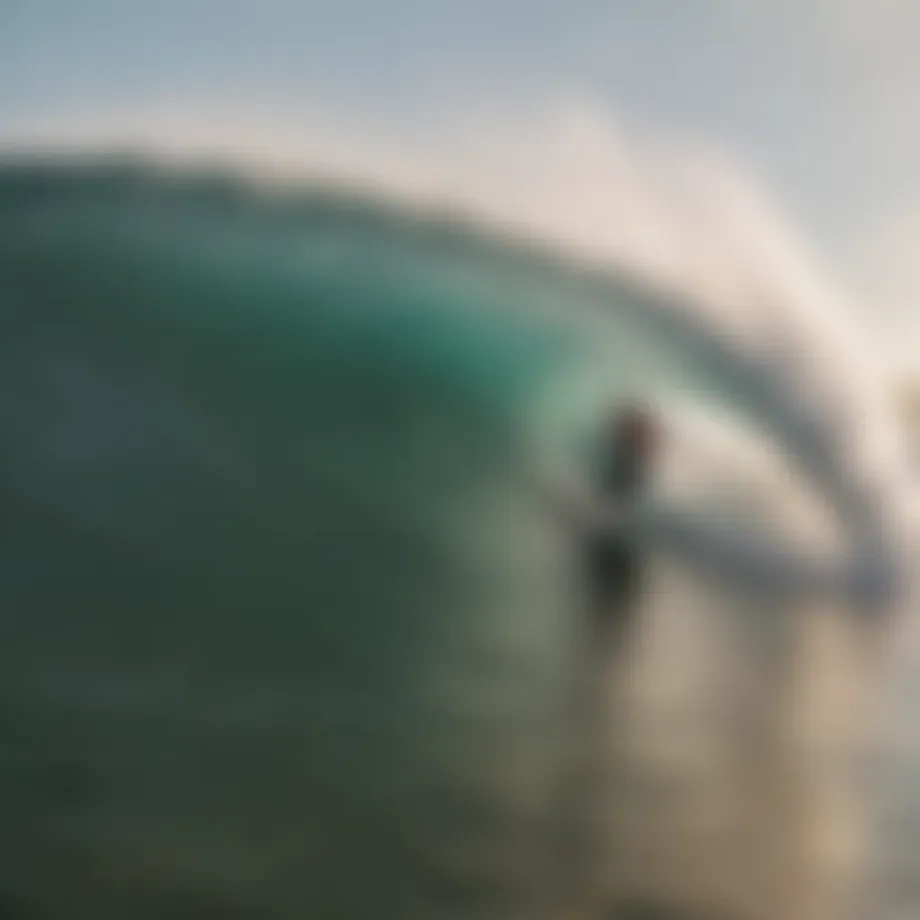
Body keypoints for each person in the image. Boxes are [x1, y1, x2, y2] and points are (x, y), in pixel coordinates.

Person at [582, 403, 659, 645]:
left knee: (618, 489)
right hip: (616, 544)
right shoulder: (628, 446)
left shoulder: (632, 448)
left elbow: (632, 470)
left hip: (618, 548)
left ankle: (607, 521)